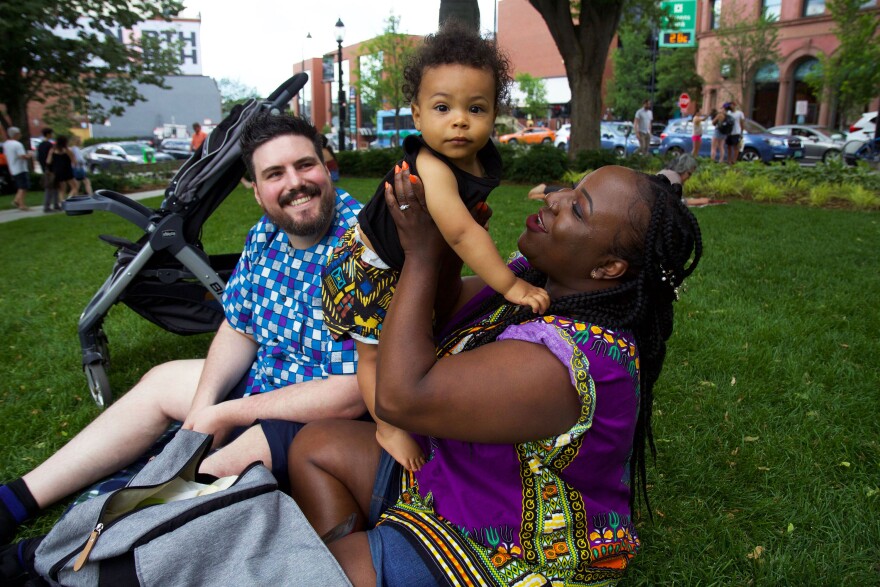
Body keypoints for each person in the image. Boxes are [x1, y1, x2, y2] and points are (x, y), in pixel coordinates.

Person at [289, 163, 703, 585]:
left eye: (577, 209)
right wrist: (450, 250)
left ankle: (371, 558)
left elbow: (400, 398)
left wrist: (423, 256)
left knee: (317, 570)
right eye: (569, 190)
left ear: (608, 268)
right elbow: (446, 312)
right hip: (461, 480)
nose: (553, 199)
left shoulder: (561, 366)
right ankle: (374, 555)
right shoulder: (536, 282)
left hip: (503, 551)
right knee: (316, 447)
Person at [0, 112, 365, 547]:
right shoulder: (265, 235)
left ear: (326, 166)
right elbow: (239, 327)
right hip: (265, 387)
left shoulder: (362, 247)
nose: (295, 183)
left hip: (321, 423)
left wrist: (224, 415)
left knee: (196, 477)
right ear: (255, 189)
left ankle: (62, 552)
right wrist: (202, 408)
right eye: (275, 173)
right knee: (161, 381)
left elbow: (351, 393)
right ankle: (16, 499)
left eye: (305, 165)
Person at [321, 21, 549, 473]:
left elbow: (462, 223)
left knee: (412, 334)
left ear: (494, 113)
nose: (460, 120)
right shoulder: (432, 164)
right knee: (375, 352)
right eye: (442, 107)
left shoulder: (478, 158)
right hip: (364, 269)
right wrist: (511, 286)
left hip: (402, 265)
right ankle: (387, 424)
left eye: (476, 108)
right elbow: (462, 233)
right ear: (418, 115)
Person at [2, 127, 33, 211]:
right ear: (16, 134)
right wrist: (30, 155)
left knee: (21, 186)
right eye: (19, 133)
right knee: (23, 186)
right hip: (20, 168)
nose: (20, 135)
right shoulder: (17, 144)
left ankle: (17, 201)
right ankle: (21, 204)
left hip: (12, 167)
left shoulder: (6, 144)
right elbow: (22, 156)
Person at [45, 135, 75, 205]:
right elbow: (73, 160)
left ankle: (62, 202)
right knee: (74, 187)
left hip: (57, 171)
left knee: (61, 189)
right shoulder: (67, 150)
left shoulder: (53, 150)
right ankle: (69, 199)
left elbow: (48, 161)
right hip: (67, 170)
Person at [35, 128, 58, 211]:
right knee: (51, 187)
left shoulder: (40, 145)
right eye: (51, 133)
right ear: (48, 134)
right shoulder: (49, 145)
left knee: (52, 187)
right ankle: (48, 206)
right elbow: (51, 158)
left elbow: (38, 157)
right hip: (51, 169)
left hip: (45, 168)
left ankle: (55, 204)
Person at [725, 101, 745, 165]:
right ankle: (729, 159)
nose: (731, 106)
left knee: (736, 147)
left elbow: (742, 123)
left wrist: (741, 132)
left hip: (736, 132)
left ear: (734, 105)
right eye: (730, 105)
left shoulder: (739, 113)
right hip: (729, 132)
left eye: (732, 105)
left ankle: (734, 160)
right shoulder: (728, 113)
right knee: (729, 147)